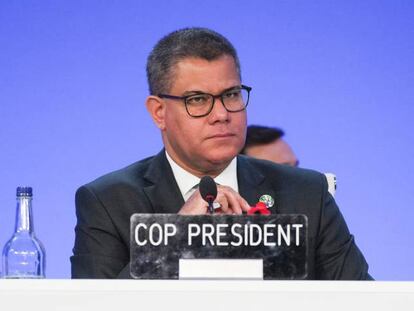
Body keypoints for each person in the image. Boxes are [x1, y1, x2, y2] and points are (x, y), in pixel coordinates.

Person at [71, 27, 371, 279]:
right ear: (159, 112)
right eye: (198, 99)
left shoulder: (307, 193)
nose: (222, 114)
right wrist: (175, 237)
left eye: (230, 95)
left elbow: (364, 302)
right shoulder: (109, 202)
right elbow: (96, 305)